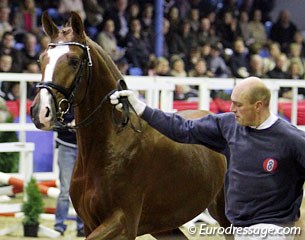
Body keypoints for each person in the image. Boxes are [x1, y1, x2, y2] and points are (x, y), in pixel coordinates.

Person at [110, 76, 305, 240]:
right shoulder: (228, 126)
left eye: (238, 105)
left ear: (258, 106)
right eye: (231, 102)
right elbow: (181, 128)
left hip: (274, 230)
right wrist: (140, 107)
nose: (231, 109)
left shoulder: (292, 140)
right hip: (238, 229)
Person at [54, 110, 84, 237]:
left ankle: (82, 226)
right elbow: (53, 123)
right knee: (65, 190)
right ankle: (59, 226)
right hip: (66, 146)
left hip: (84, 148)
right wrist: (68, 125)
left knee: (82, 190)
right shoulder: (63, 103)